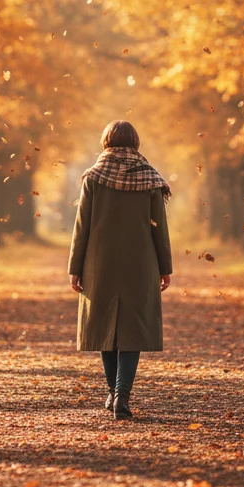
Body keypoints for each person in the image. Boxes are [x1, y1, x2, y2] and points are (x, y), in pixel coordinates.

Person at [68, 120, 173, 420]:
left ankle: (113, 393)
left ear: (106, 142)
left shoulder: (93, 178)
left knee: (104, 327)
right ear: (135, 143)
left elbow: (81, 228)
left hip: (99, 263)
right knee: (133, 329)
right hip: (140, 265)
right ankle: (121, 396)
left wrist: (75, 268)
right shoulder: (150, 180)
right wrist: (165, 267)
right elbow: (159, 229)